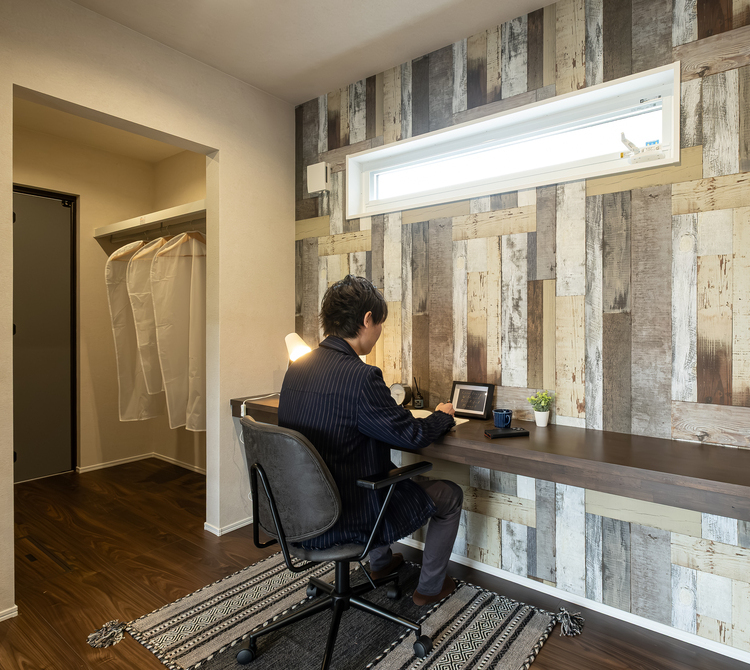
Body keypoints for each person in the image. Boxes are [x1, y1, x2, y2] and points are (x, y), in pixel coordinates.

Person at [278, 275, 463, 606]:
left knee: (367, 467)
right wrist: (443, 415)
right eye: (380, 324)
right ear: (367, 320)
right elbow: (413, 434)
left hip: (299, 512)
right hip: (347, 516)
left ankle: (380, 564)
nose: (379, 333)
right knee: (449, 495)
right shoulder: (362, 376)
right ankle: (430, 588)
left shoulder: (297, 369)